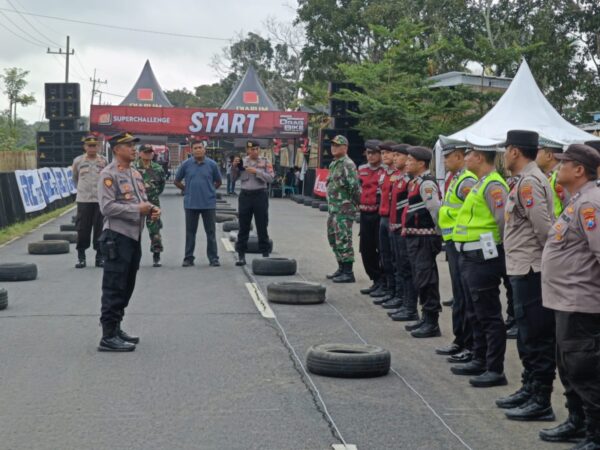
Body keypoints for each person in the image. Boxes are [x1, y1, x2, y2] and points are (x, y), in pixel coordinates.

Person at [540, 144, 600, 448]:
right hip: (564, 301)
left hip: (581, 303)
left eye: (564, 163)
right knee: (569, 367)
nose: (557, 166)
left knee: (584, 369)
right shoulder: (577, 200)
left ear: (579, 170)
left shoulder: (591, 204)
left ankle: (595, 433)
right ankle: (577, 422)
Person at [498, 130, 557, 421]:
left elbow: (544, 229)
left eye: (505, 149)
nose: (503, 155)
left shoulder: (530, 182)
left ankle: (541, 399)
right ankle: (529, 387)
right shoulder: (523, 181)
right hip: (522, 267)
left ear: (514, 151)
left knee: (537, 336)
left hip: (532, 269)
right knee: (526, 334)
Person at [450, 144, 509, 388]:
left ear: (480, 157)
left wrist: (499, 254)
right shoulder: (478, 182)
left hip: (483, 257)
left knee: (488, 314)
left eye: (468, 155)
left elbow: (503, 221)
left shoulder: (493, 185)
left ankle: (494, 369)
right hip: (468, 254)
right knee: (475, 311)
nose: (465, 159)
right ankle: (479, 357)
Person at [97, 132, 161, 352]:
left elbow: (141, 201)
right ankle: (107, 336)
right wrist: (138, 209)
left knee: (127, 284)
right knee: (114, 286)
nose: (134, 149)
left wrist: (151, 209)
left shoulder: (134, 173)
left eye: (134, 145)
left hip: (134, 235)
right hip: (117, 236)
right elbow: (107, 208)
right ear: (116, 149)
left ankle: (116, 328)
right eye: (129, 146)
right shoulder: (109, 174)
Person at [435, 139, 477, 362]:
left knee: (464, 295)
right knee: (459, 296)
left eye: (447, 156)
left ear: (459, 157)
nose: (444, 160)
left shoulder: (467, 180)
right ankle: (459, 339)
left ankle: (467, 342)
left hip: (462, 243)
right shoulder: (457, 178)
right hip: (453, 241)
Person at [401, 146, 443, 338]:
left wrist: (439, 234)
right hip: (415, 237)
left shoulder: (426, 184)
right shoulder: (414, 182)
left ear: (421, 163)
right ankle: (425, 318)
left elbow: (435, 210)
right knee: (420, 277)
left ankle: (432, 321)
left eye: (410, 160)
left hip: (424, 238)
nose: (407, 163)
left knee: (427, 279)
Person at [174, 137, 222, 267]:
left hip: (208, 204)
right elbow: (177, 180)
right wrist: (186, 190)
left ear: (204, 149)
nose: (198, 150)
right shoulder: (186, 164)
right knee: (190, 233)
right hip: (191, 204)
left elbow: (219, 182)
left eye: (200, 147)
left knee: (211, 233)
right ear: (191, 150)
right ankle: (188, 258)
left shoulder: (212, 164)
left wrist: (210, 190)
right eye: (195, 148)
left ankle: (213, 258)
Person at [386, 144, 418, 320]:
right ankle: (403, 301)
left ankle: (410, 307)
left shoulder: (410, 180)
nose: (395, 158)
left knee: (407, 269)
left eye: (398, 155)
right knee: (398, 265)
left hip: (404, 229)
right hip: (394, 226)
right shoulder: (399, 178)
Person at [325, 135, 361, 283]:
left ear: (345, 148)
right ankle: (340, 268)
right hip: (333, 209)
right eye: (332, 145)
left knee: (344, 239)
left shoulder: (348, 164)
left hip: (344, 209)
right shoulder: (334, 164)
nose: (333, 147)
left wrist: (352, 205)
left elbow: (354, 187)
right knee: (333, 238)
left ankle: (348, 272)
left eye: (337, 145)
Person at [372, 141, 403, 310]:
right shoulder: (384, 173)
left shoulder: (399, 174)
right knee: (384, 256)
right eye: (382, 153)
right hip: (382, 217)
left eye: (388, 153)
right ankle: (389, 289)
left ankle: (398, 293)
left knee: (395, 258)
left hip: (394, 219)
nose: (385, 156)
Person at [235, 140, 275, 266]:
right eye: (252, 149)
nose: (255, 152)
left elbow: (271, 178)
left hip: (260, 195)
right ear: (247, 150)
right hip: (245, 195)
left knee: (262, 225)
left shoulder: (265, 161)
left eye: (257, 149)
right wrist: (233, 167)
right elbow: (233, 177)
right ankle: (241, 255)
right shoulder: (242, 162)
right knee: (243, 226)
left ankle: (265, 254)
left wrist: (257, 172)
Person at [72, 134, 108, 268]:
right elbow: (75, 178)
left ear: (98, 147)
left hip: (100, 200)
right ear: (85, 147)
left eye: (94, 145)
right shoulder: (78, 161)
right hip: (84, 200)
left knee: (100, 229)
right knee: (82, 229)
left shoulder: (104, 161)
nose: (92, 148)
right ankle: (81, 257)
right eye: (89, 145)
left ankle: (100, 257)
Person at [358, 139, 384, 295]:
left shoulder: (386, 170)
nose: (371, 156)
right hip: (364, 213)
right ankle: (375, 279)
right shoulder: (361, 169)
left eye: (374, 153)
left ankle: (383, 281)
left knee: (381, 249)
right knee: (365, 249)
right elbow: (357, 188)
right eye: (369, 153)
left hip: (379, 214)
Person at [134, 145, 166, 267]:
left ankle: (156, 255)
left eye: (150, 152)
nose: (148, 154)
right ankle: (134, 256)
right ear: (140, 153)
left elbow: (161, 185)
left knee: (155, 230)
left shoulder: (158, 168)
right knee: (134, 231)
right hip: (137, 204)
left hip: (153, 203)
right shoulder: (133, 167)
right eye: (145, 152)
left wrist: (154, 194)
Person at [536, 138, 570, 218]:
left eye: (537, 152)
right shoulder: (551, 175)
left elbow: (570, 207)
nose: (534, 156)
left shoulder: (561, 176)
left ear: (549, 156)